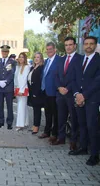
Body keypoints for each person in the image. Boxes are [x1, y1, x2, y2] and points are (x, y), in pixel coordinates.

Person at [70, 36, 100, 166]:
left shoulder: (98, 60)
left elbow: (97, 81)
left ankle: (94, 155)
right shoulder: (79, 60)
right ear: (83, 45)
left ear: (95, 45)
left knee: (92, 126)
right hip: (79, 98)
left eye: (91, 44)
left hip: (92, 98)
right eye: (86, 43)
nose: (88, 46)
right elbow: (74, 79)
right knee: (81, 124)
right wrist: (77, 94)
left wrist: (84, 95)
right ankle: (83, 148)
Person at [52, 37, 81, 149]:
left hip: (72, 93)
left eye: (70, 45)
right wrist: (59, 87)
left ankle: (73, 141)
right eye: (66, 45)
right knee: (61, 117)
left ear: (74, 46)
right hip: (60, 94)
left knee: (74, 118)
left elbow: (77, 78)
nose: (68, 47)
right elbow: (56, 76)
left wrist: (67, 88)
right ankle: (61, 138)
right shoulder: (61, 59)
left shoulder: (80, 59)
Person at [38, 42, 60, 143]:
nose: (48, 51)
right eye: (47, 49)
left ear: (55, 49)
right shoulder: (46, 61)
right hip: (45, 91)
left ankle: (54, 133)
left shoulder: (59, 60)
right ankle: (47, 131)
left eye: (50, 49)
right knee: (47, 113)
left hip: (54, 92)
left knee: (55, 114)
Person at [0, 45, 17, 129]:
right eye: (3, 51)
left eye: (6, 52)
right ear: (1, 52)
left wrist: (6, 82)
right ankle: (1, 121)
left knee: (9, 105)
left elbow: (12, 73)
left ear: (8, 52)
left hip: (8, 87)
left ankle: (9, 122)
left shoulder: (13, 62)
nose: (4, 53)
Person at [27, 52, 45, 134]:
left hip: (37, 93)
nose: (36, 59)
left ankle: (36, 127)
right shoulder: (32, 68)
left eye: (38, 57)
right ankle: (34, 125)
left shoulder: (41, 68)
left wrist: (36, 92)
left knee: (37, 110)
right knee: (35, 110)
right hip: (31, 92)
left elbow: (40, 82)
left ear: (41, 58)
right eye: (35, 57)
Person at [14, 52, 30, 131]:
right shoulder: (18, 67)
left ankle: (20, 124)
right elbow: (16, 78)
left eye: (22, 57)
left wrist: (21, 90)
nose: (21, 58)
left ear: (25, 59)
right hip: (17, 88)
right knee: (23, 106)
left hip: (23, 89)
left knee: (21, 107)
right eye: (20, 57)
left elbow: (24, 80)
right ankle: (25, 122)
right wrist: (15, 87)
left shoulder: (27, 67)